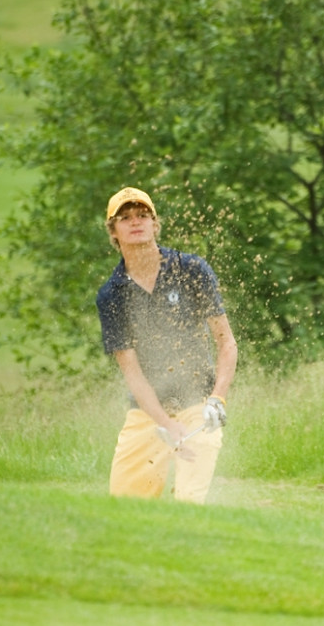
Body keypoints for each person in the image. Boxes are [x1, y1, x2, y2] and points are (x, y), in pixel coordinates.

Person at [96, 186, 238, 504]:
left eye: (143, 215)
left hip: (197, 407)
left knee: (189, 502)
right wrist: (164, 423)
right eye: (126, 217)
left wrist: (217, 400)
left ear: (155, 224)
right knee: (124, 508)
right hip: (146, 412)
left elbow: (226, 342)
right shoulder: (112, 295)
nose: (136, 222)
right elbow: (132, 373)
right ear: (114, 231)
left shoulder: (190, 270)